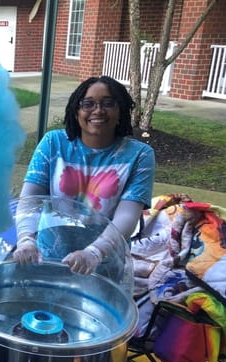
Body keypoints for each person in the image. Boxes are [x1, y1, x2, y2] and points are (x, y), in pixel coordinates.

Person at [13, 75, 155, 276]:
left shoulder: (140, 155)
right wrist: (26, 240)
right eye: (88, 104)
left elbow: (127, 215)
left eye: (108, 103)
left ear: (120, 110)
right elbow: (30, 200)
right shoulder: (53, 143)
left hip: (103, 265)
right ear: (76, 110)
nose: (98, 110)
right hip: (47, 258)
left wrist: (94, 253)